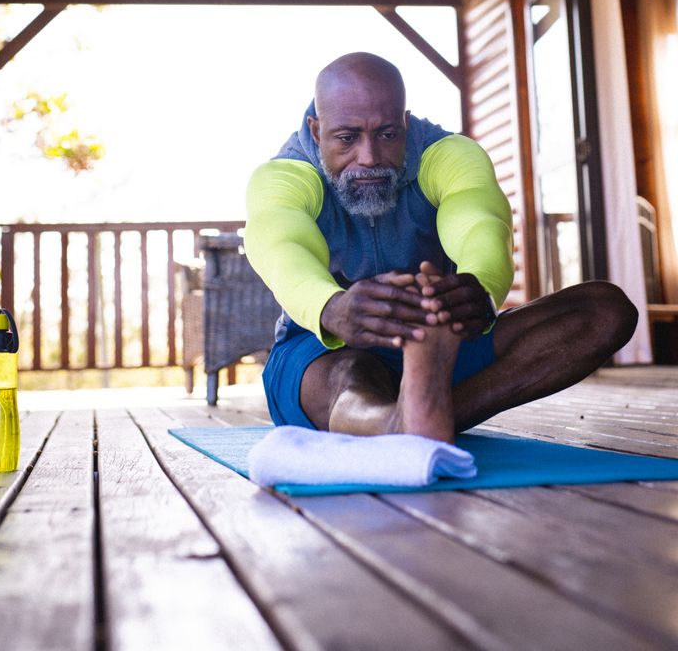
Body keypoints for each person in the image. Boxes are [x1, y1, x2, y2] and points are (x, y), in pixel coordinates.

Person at [245, 52, 638, 441]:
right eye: (347, 138)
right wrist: (331, 308)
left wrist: (481, 289)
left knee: (606, 310)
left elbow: (479, 222)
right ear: (316, 131)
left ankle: (414, 420)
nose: (369, 157)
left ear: (405, 121)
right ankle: (397, 422)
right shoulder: (285, 175)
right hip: (326, 353)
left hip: (441, 340)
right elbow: (282, 243)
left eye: (387, 134)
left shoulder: (447, 154)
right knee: (349, 376)